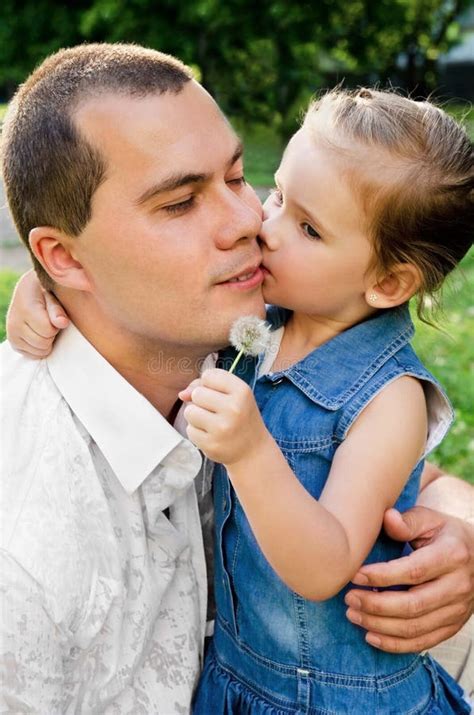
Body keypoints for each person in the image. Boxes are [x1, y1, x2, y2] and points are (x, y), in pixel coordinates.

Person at [2, 46, 473, 711]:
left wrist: (460, 526)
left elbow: (357, 462)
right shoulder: (25, 560)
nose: (253, 221)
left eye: (237, 177)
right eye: (180, 202)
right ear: (62, 256)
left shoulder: (230, 337)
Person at [179, 88, 473, 712]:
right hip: (237, 676)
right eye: (279, 194)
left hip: (329, 700)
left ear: (387, 282)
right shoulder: (263, 318)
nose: (268, 226)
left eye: (308, 228)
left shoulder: (389, 400)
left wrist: (252, 452)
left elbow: (324, 567)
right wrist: (46, 302)